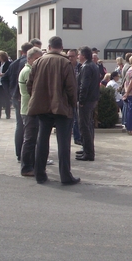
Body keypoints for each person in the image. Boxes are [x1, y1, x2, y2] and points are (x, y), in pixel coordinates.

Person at [26, 36, 80, 185]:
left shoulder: (37, 62)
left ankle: (40, 174)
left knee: (42, 140)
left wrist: (37, 98)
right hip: (61, 106)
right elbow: (71, 88)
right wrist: (72, 104)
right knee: (63, 142)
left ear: (49, 47)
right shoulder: (65, 62)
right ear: (61, 48)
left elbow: (29, 84)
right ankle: (65, 175)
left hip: (42, 106)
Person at [3, 42, 34, 162]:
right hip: (23, 97)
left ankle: (19, 153)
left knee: (19, 126)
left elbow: (4, 78)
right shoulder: (26, 65)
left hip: (16, 97)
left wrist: (10, 94)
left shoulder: (14, 63)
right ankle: (25, 155)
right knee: (28, 127)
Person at [18, 47, 44, 176]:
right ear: (29, 59)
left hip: (28, 108)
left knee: (32, 138)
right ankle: (27, 167)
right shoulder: (28, 71)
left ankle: (30, 165)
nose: (39, 61)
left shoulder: (29, 69)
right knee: (30, 139)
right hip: (29, 109)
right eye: (36, 59)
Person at [76, 46, 100, 161]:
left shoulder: (86, 67)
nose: (77, 56)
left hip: (87, 101)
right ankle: (87, 149)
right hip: (92, 99)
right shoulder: (93, 66)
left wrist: (81, 100)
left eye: (79, 54)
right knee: (88, 125)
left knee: (84, 126)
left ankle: (89, 153)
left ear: (83, 56)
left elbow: (84, 85)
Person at [0, 50, 11, 119]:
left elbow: (9, 73)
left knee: (7, 99)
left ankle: (7, 114)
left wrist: (3, 74)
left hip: (5, 84)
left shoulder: (9, 64)